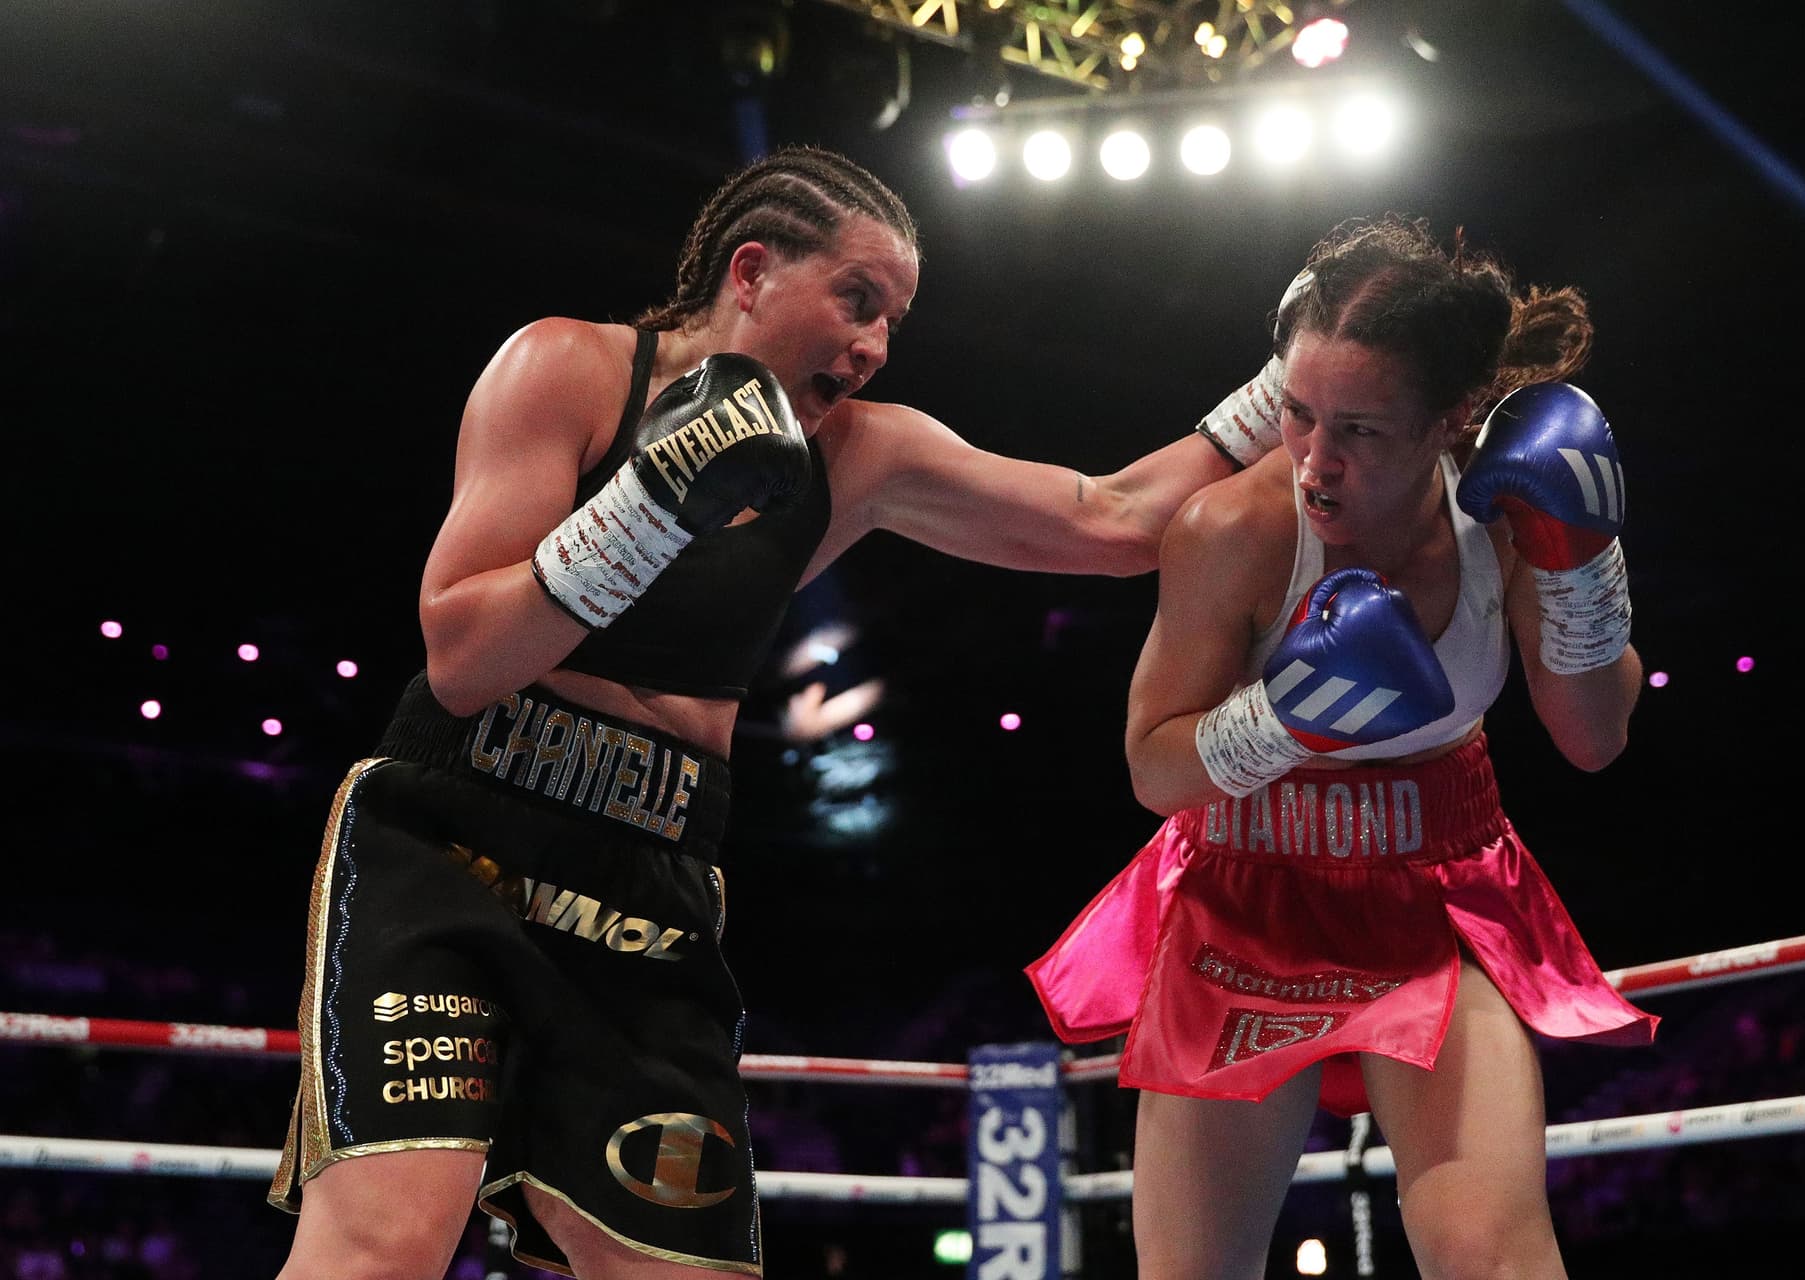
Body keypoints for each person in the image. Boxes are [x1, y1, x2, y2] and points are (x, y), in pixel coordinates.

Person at [267, 144, 1260, 1280]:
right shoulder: (568, 368)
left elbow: (1114, 518)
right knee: (386, 1242)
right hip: (453, 843)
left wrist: (1299, 387)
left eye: (892, 320)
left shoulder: (862, 452)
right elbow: (459, 660)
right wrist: (647, 508)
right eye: (857, 298)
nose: (874, 344)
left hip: (649, 881)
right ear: (751, 271)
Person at [1026, 214, 1658, 1280]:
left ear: (1452, 419)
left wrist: (1583, 557)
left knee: (1494, 1258)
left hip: (1440, 890)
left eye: (1359, 429)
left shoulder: (1502, 514)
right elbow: (1152, 766)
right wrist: (1286, 716)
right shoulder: (1233, 532)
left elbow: (1594, 738)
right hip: (1245, 898)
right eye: (1298, 413)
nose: (1316, 462)